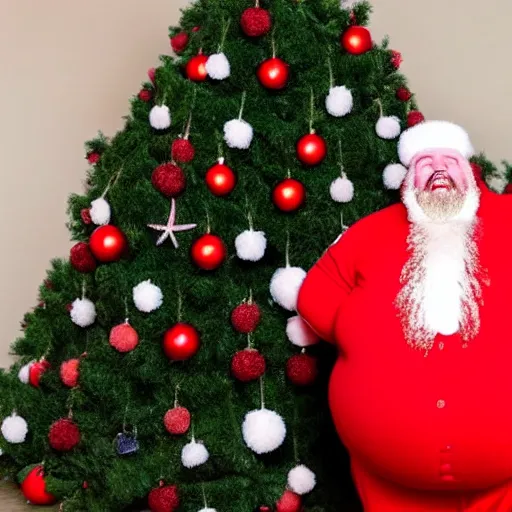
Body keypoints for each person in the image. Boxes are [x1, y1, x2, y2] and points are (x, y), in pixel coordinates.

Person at [297, 120, 512, 511]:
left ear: (470, 170)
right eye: (425, 163)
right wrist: (362, 338)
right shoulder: (371, 232)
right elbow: (316, 299)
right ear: (409, 179)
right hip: (389, 484)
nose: (439, 170)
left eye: (449, 159)